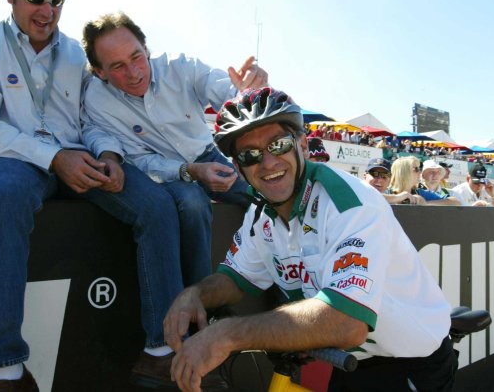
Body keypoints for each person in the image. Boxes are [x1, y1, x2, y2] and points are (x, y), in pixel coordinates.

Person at [0, 0, 204, 390]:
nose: (47, 12)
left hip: (80, 161)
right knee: (4, 193)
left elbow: (94, 121)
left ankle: (159, 353)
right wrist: (52, 158)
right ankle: (3, 366)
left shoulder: (76, 56)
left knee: (157, 205)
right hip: (15, 163)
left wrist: (109, 155)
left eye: (57, 1)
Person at [163, 87, 455, 392]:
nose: (268, 163)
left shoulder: (349, 203)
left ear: (302, 145)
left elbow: (346, 322)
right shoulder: (261, 211)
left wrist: (225, 335)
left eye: (278, 144)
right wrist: (194, 295)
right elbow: (236, 278)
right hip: (351, 361)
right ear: (239, 168)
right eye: (250, 155)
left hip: (411, 359)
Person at [81, 11, 267, 212]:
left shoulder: (181, 66)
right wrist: (188, 171)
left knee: (263, 197)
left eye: (136, 57)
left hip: (209, 156)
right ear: (100, 72)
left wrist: (248, 89)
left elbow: (226, 91)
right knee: (192, 201)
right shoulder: (97, 100)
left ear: (146, 49)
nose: (134, 73)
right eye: (118, 66)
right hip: (161, 173)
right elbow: (136, 159)